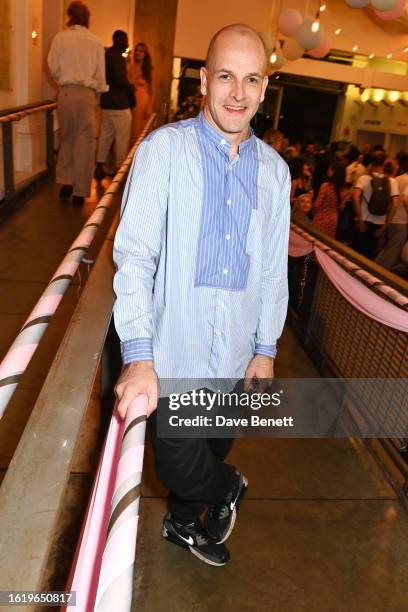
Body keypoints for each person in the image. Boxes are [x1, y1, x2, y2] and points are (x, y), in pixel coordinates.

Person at [113, 23, 290, 567]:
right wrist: (139, 356)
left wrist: (266, 348)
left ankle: (183, 525)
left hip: (236, 355)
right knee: (183, 465)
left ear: (264, 88)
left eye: (251, 79)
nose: (238, 93)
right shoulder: (163, 152)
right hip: (176, 351)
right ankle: (229, 487)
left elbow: (270, 270)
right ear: (204, 79)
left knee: (211, 451)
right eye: (226, 77)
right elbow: (135, 257)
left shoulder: (275, 172)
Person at [48, 1, 107, 206]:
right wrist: (96, 94)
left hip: (66, 93)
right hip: (87, 95)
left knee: (67, 138)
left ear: (70, 16)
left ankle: (66, 184)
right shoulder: (96, 42)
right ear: (87, 18)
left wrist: (63, 81)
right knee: (85, 143)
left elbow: (53, 66)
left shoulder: (61, 37)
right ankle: (81, 191)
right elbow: (100, 76)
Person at [94, 30, 135, 179]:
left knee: (105, 136)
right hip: (120, 104)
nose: (127, 44)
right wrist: (131, 87)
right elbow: (119, 80)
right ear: (118, 40)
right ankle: (119, 170)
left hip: (106, 103)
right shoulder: (118, 57)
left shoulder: (105, 55)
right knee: (121, 138)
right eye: (125, 41)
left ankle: (99, 165)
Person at [352, 152, 399, 259]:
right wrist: (385, 226)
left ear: (371, 163)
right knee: (370, 256)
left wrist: (360, 220)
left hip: (362, 221)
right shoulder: (392, 181)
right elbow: (395, 204)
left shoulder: (364, 178)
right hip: (379, 224)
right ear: (384, 164)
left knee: (355, 255)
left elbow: (355, 197)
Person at [375, 153, 408, 274]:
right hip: (402, 221)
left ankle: (377, 267)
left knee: (390, 247)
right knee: (392, 251)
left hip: (392, 218)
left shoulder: (398, 179)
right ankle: (378, 272)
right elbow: (405, 199)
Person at [312, 162, 349, 238]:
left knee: (315, 239)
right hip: (333, 219)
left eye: (330, 169)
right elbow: (341, 207)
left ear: (334, 172)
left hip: (320, 217)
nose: (328, 170)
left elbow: (317, 204)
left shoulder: (325, 186)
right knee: (326, 242)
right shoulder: (345, 189)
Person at [127, 42, 154, 143]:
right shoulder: (130, 67)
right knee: (130, 131)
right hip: (130, 102)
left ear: (145, 54)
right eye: (137, 51)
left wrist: (149, 107)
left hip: (143, 103)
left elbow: (152, 92)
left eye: (141, 51)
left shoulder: (149, 70)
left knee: (141, 132)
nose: (138, 53)